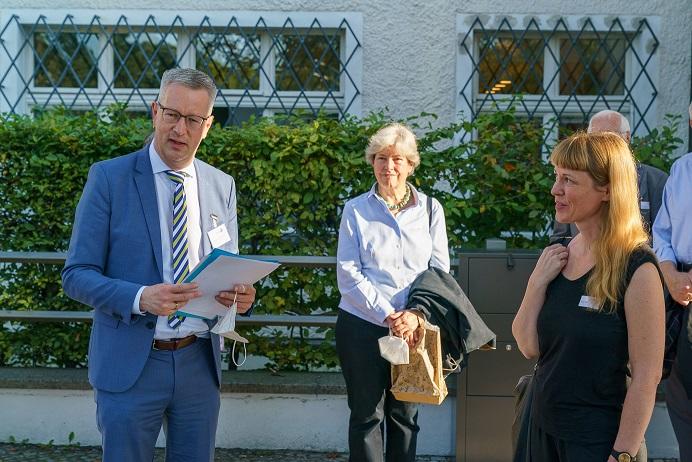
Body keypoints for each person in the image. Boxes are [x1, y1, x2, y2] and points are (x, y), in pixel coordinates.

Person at [61, 68, 256, 462]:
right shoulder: (109, 178)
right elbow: (76, 275)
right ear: (155, 111)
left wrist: (241, 296)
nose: (180, 129)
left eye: (193, 119)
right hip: (131, 363)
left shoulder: (222, 185)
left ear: (208, 126)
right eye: (172, 114)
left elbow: (228, 264)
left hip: (198, 363)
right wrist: (140, 297)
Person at [512, 132, 664, 461]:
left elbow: (647, 376)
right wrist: (536, 283)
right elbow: (529, 346)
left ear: (607, 189)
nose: (555, 190)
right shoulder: (559, 255)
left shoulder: (638, 269)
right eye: (556, 177)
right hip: (540, 431)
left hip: (595, 442)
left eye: (568, 180)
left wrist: (622, 454)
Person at [335, 123, 450, 462]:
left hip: (414, 328)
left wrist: (413, 315)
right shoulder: (356, 209)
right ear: (372, 162)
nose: (389, 167)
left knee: (405, 417)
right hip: (362, 326)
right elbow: (348, 273)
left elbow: (438, 272)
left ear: (411, 164)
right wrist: (389, 314)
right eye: (381, 158)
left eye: (397, 159)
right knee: (366, 416)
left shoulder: (431, 209)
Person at [552, 109, 668, 240]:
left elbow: (664, 238)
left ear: (627, 138)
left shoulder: (656, 181)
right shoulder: (575, 178)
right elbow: (559, 236)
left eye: (607, 138)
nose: (598, 145)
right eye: (592, 138)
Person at [652, 101, 692, 462]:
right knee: (682, 395)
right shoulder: (682, 169)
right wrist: (670, 275)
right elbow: (662, 233)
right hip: (682, 294)